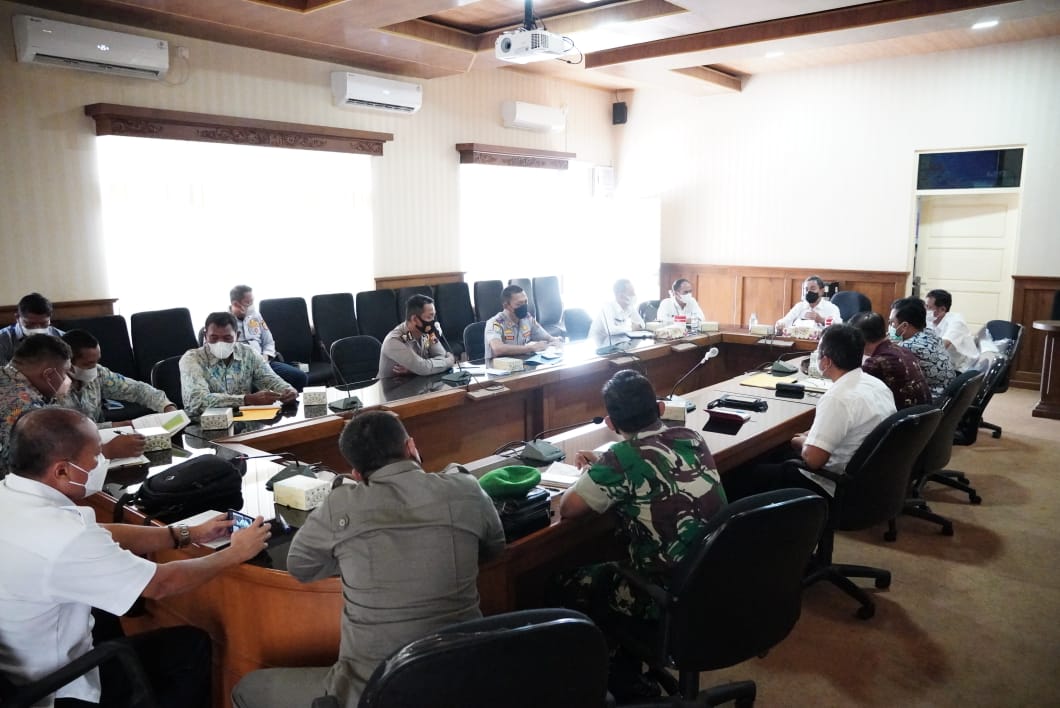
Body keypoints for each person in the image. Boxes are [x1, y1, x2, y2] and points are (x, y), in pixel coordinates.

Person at [231, 410, 505, 708]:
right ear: (411, 447)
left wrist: (352, 553)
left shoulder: (342, 503)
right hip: (466, 676)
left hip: (375, 689)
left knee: (247, 689)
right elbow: (494, 547)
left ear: (356, 475)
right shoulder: (466, 489)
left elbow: (300, 566)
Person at [0, 407, 271, 708]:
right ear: (62, 470)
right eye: (95, 456)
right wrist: (234, 554)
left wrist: (183, 533)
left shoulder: (12, 495)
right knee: (190, 646)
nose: (100, 462)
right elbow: (161, 584)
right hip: (55, 687)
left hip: (16, 664)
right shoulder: (65, 537)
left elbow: (100, 531)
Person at [554, 370, 727, 698]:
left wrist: (600, 468)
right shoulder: (691, 437)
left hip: (667, 594)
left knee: (565, 583)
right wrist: (607, 464)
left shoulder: (622, 458)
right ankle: (628, 667)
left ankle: (620, 681)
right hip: (713, 580)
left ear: (610, 423)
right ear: (660, 409)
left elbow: (569, 507)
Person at [724, 324, 896, 501]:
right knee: (773, 455)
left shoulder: (838, 398)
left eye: (818, 351)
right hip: (866, 480)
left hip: (830, 484)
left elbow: (813, 460)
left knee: (739, 474)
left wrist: (801, 441)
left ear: (826, 361)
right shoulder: (877, 385)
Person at [0, 336, 148, 476]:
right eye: (65, 373)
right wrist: (107, 451)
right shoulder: (21, 405)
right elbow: (30, 465)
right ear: (49, 375)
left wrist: (108, 427)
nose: (67, 379)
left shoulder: (6, 377)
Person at [179, 312, 297, 417]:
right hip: (204, 425)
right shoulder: (191, 359)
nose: (220, 342)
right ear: (205, 336)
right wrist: (247, 399)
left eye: (227, 338)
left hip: (245, 420)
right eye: (213, 338)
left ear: (237, 335)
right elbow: (197, 401)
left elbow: (269, 379)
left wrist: (288, 391)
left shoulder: (248, 353)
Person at [62, 329, 178, 423]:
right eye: (88, 364)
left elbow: (137, 389)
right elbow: (67, 434)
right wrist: (113, 426)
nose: (95, 368)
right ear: (68, 362)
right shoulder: (53, 388)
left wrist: (167, 406)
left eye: (96, 361)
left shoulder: (100, 373)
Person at [228, 284, 308, 391]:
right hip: (239, 369)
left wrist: (265, 356)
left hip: (264, 364)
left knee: (300, 377)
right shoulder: (223, 322)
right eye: (248, 303)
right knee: (253, 388)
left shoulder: (255, 316)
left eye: (252, 301)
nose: (252, 305)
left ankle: (290, 406)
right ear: (235, 304)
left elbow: (269, 341)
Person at [849, 312, 931, 409]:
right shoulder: (903, 350)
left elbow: (851, 392)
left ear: (859, 340)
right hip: (924, 418)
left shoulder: (876, 363)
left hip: (902, 420)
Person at [890, 297, 956, 399]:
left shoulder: (907, 347)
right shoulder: (930, 333)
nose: (891, 327)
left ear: (904, 326)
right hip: (947, 396)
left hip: (932, 402)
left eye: (892, 323)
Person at [377, 294, 455, 379]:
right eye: (429, 317)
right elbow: (423, 368)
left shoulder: (428, 333)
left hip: (418, 385)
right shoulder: (394, 341)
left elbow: (441, 355)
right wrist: (450, 361)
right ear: (414, 319)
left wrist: (414, 369)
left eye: (434, 316)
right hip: (391, 388)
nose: (433, 321)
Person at [483, 284, 561, 362]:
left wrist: (554, 341)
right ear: (506, 306)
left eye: (526, 302)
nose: (524, 306)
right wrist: (531, 348)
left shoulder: (527, 318)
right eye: (519, 304)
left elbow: (547, 337)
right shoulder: (495, 322)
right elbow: (497, 349)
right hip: (500, 369)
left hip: (524, 365)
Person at [0, 292, 65, 366]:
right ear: (17, 317)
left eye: (43, 323)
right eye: (30, 324)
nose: (37, 328)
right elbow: (2, 374)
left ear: (50, 318)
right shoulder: (3, 340)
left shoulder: (62, 337)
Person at [925, 289, 978, 371]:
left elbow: (942, 346)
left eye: (929, 307)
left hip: (961, 369)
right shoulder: (931, 321)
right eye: (926, 306)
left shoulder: (956, 321)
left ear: (942, 309)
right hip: (943, 365)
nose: (926, 310)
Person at [588, 279, 645, 347]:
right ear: (620, 296)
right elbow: (611, 331)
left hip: (616, 342)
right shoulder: (607, 306)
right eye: (631, 293)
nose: (634, 295)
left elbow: (642, 324)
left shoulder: (629, 306)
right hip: (599, 346)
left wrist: (638, 326)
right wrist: (631, 328)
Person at [775, 276, 842, 331]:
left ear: (821, 291)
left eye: (813, 289)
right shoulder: (799, 306)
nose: (808, 292)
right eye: (806, 289)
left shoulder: (831, 308)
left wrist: (821, 320)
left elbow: (838, 328)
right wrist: (780, 324)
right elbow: (785, 321)